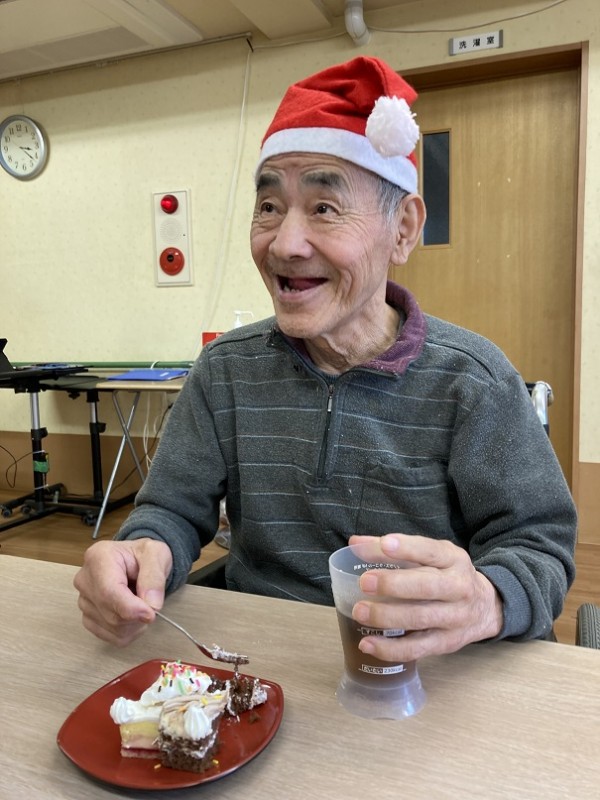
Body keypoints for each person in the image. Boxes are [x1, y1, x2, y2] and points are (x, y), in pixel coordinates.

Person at [74, 56, 576, 664]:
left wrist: (488, 599)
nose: (285, 243)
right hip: (261, 663)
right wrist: (143, 551)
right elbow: (169, 511)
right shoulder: (225, 371)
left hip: (422, 670)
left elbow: (539, 545)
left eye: (324, 209)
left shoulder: (473, 381)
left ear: (403, 229)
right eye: (268, 206)